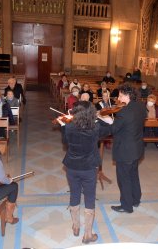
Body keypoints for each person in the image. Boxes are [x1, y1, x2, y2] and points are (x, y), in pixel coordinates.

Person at [57, 101, 111, 244]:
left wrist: (64, 124)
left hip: (72, 167)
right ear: (90, 113)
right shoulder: (96, 128)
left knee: (74, 194)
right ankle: (88, 234)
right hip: (89, 167)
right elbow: (111, 125)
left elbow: (65, 141)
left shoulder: (68, 127)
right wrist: (99, 115)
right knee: (89, 197)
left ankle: (76, 226)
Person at [110, 83, 146, 213]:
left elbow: (113, 129)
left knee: (124, 179)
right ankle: (136, 200)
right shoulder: (141, 107)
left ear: (127, 96)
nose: (118, 98)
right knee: (133, 175)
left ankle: (126, 206)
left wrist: (108, 119)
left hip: (125, 151)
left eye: (120, 95)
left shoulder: (123, 112)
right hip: (136, 149)